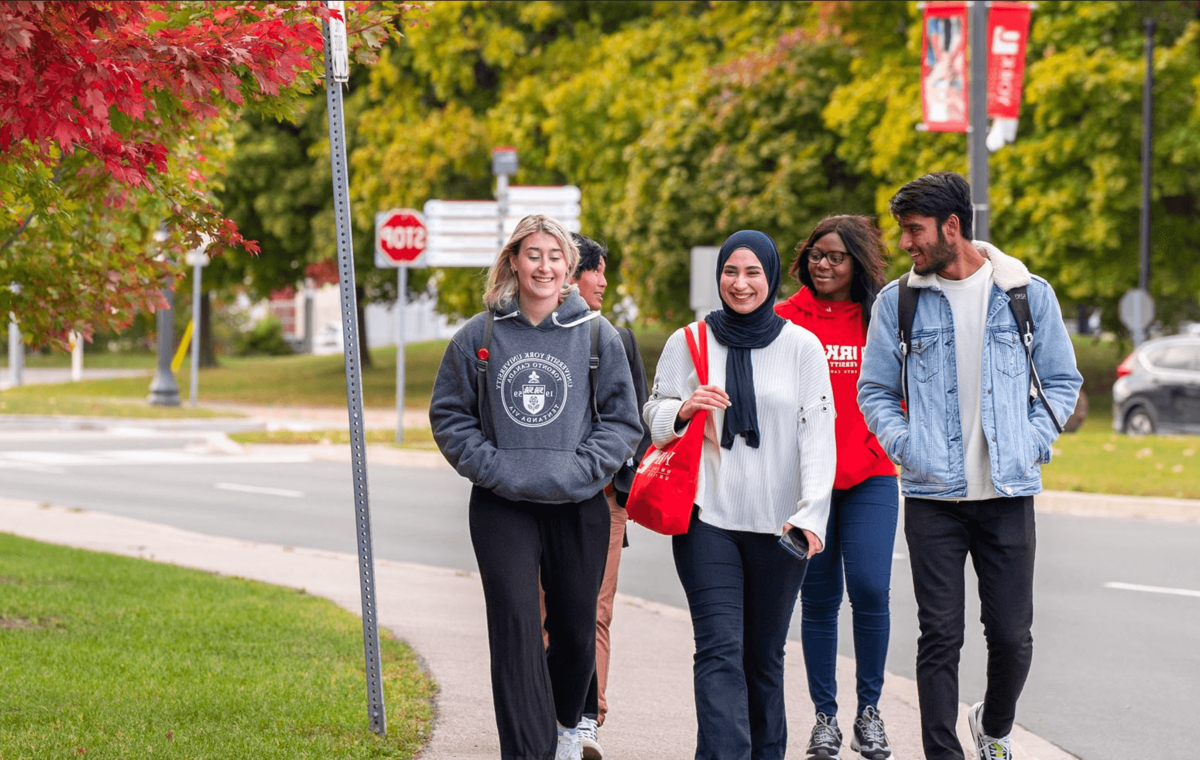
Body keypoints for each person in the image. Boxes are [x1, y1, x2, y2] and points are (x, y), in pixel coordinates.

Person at [857, 173, 1082, 760]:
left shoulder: (1026, 293)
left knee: (1012, 637)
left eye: (914, 231)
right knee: (940, 637)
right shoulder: (897, 303)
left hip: (1007, 492)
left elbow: (1061, 381)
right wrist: (908, 445)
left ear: (950, 227)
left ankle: (996, 724)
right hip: (933, 496)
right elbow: (874, 390)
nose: (906, 244)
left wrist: (1033, 440)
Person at [429, 215, 643, 760]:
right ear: (514, 262)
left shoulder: (598, 334)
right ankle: (528, 751)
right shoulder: (478, 335)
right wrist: (493, 467)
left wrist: (583, 469)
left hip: (578, 503)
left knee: (574, 631)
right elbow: (450, 416)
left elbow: (622, 420)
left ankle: (566, 721)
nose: (543, 266)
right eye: (532, 254)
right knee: (517, 630)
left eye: (554, 255)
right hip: (503, 507)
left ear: (569, 266)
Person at [643, 230, 837, 760]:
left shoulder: (801, 347)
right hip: (709, 519)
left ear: (771, 277)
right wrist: (683, 410)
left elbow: (819, 438)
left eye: (753, 272)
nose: (741, 283)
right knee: (720, 650)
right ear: (719, 276)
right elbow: (655, 418)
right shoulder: (689, 341)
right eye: (731, 271)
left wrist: (812, 515)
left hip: (781, 528)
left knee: (763, 658)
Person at [775, 216, 899, 760]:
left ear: (858, 264)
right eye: (817, 256)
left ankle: (868, 713)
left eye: (837, 257)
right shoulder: (781, 319)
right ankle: (825, 718)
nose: (824, 265)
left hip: (872, 474)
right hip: (810, 487)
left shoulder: (881, 318)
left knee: (871, 588)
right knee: (819, 599)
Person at [567, 233, 652, 760]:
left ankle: (586, 719)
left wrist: (620, 488)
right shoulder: (529, 335)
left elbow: (635, 421)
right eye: (596, 271)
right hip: (546, 499)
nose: (603, 281)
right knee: (546, 608)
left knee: (595, 610)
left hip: (603, 499)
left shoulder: (614, 338)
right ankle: (548, 710)